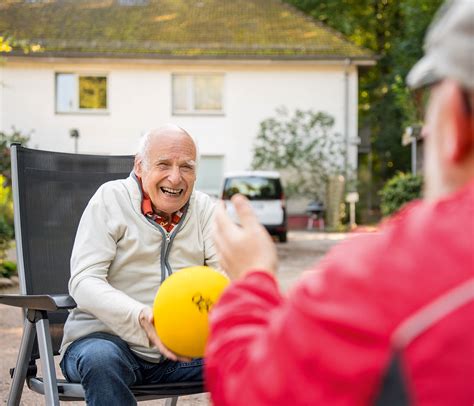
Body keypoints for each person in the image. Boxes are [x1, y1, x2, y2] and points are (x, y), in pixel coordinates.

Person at [206, 1, 474, 405]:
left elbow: (253, 389)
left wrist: (251, 280)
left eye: (425, 103)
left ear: (453, 118)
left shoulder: (388, 275)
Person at [60, 125, 219, 405]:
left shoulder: (205, 208)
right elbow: (83, 280)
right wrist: (140, 317)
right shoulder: (110, 199)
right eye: (163, 164)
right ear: (140, 166)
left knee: (266, 351)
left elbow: (225, 276)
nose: (175, 177)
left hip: (182, 353)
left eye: (186, 167)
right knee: (101, 359)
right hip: (107, 343)